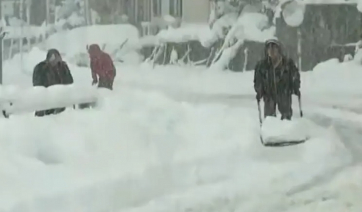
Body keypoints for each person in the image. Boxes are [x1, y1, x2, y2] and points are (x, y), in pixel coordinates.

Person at [254, 39, 300, 120]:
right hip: (269, 96)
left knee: (286, 119)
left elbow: (295, 77)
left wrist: (295, 87)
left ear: (279, 49)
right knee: (269, 120)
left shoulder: (288, 64)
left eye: (274, 47)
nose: (271, 50)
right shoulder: (262, 66)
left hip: (284, 95)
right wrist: (259, 91)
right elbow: (258, 81)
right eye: (269, 47)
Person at [32, 49, 74, 116]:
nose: (56, 60)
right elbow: (37, 86)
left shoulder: (63, 67)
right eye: (53, 57)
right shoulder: (41, 68)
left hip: (61, 99)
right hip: (47, 100)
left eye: (57, 57)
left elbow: (70, 81)